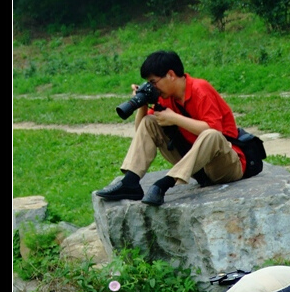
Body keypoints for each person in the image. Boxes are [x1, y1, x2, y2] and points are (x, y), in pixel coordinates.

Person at [95, 50, 246, 206]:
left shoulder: (200, 89)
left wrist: (174, 118)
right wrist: (142, 104)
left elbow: (216, 131)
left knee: (211, 135)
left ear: (171, 75)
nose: (152, 87)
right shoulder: (165, 97)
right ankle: (130, 182)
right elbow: (141, 130)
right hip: (198, 169)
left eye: (153, 82)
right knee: (149, 121)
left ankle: (164, 184)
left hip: (225, 165)